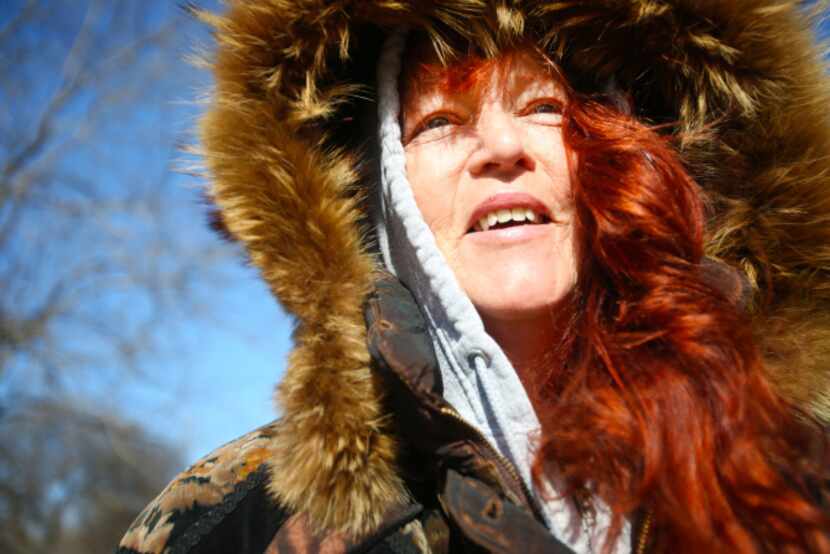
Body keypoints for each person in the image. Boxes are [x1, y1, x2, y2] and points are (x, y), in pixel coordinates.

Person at [117, 1, 830, 553]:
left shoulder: (798, 473)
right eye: (439, 122)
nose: (502, 146)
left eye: (544, 108)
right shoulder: (236, 523)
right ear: (377, 201)